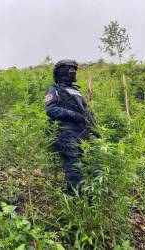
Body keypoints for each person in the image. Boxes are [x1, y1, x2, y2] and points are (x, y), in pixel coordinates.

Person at [45, 59, 99, 196]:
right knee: (73, 168)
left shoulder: (76, 91)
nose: (73, 72)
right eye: (70, 69)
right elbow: (51, 110)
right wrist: (74, 115)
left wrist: (94, 126)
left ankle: (91, 199)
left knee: (92, 165)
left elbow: (86, 111)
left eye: (74, 69)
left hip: (83, 132)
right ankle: (75, 199)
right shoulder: (54, 89)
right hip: (66, 132)